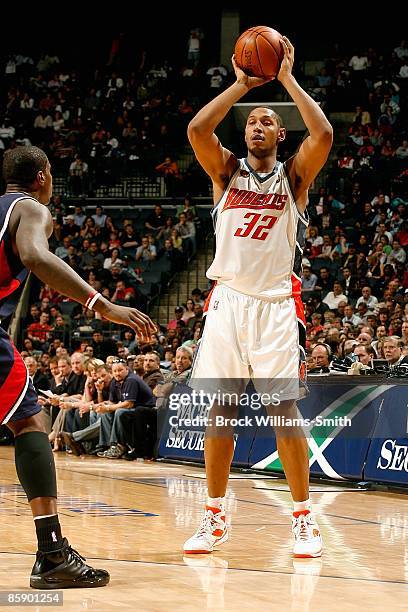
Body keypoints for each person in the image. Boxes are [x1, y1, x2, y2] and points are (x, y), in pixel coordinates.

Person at [183, 37, 332, 558]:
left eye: (267, 120)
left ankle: (303, 520)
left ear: (280, 132)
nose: (257, 125)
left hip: (274, 304)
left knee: (284, 412)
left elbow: (325, 133)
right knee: (220, 412)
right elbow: (198, 130)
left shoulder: (293, 177)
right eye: (252, 121)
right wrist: (241, 85)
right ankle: (214, 517)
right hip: (227, 301)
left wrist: (286, 79)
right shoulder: (225, 172)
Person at [0, 146, 156, 589]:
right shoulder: (29, 208)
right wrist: (100, 304)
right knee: (31, 423)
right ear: (44, 177)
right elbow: (33, 255)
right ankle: (51, 555)